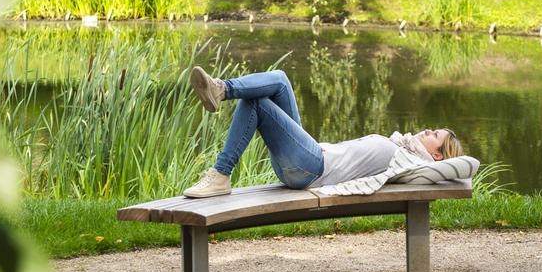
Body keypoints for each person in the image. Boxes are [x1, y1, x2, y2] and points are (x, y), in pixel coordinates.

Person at [182, 67, 464, 198]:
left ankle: (221, 174)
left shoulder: (413, 163)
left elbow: (460, 168)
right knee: (279, 79)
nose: (427, 130)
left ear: (436, 155)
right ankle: (221, 89)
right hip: (310, 156)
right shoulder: (402, 148)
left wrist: (446, 164)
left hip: (311, 169)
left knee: (256, 103)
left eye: (434, 135)